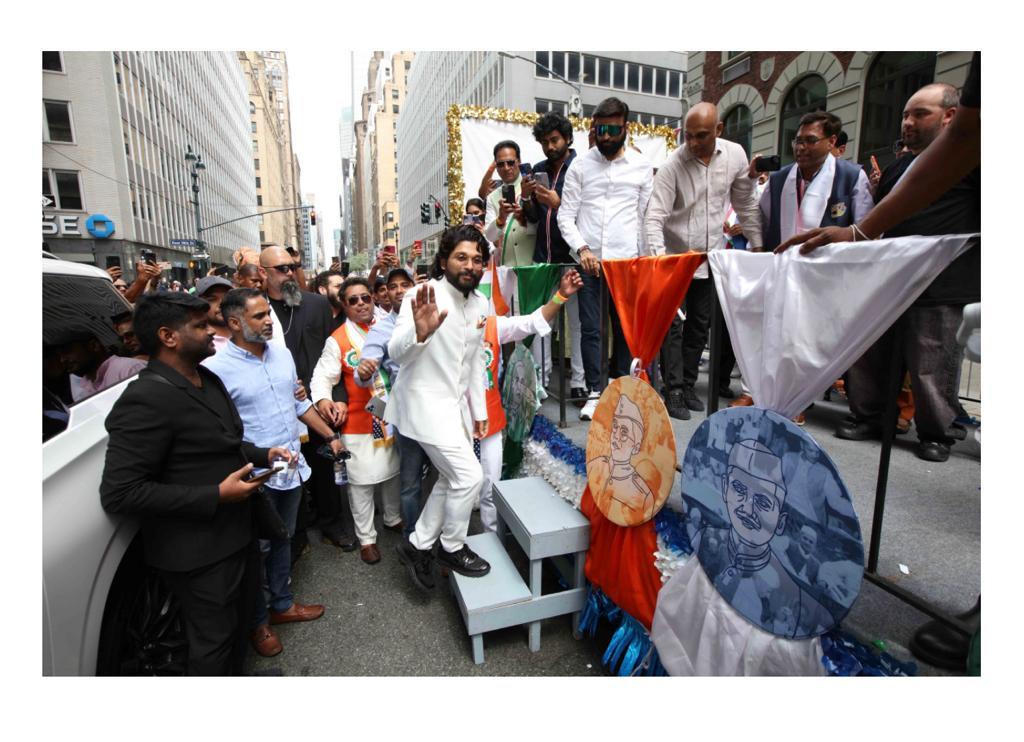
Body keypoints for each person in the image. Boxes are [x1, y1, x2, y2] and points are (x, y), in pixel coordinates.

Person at [100, 292, 294, 675]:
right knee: (212, 643)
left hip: (237, 533)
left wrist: (261, 454)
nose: (213, 330)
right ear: (168, 336)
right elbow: (121, 492)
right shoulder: (145, 398)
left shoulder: (204, 376)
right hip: (199, 554)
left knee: (237, 629)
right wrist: (216, 495)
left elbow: (219, 441)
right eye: (201, 325)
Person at [827, 83, 978, 463]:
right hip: (890, 279)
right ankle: (871, 416)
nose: (908, 122)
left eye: (920, 114)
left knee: (932, 360)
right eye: (906, 114)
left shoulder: (972, 159)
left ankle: (936, 432)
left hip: (943, 280)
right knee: (872, 350)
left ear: (950, 116)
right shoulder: (897, 168)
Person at [204, 288, 334, 657]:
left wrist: (329, 435)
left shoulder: (281, 354)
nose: (268, 321)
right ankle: (257, 622)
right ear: (234, 323)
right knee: (254, 551)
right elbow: (218, 432)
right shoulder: (214, 369)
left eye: (267, 314)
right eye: (260, 316)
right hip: (251, 478)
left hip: (290, 468)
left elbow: (299, 403)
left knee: (284, 538)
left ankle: (282, 604)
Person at [644, 102, 761, 420]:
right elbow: (654, 216)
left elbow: (745, 204)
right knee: (674, 328)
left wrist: (759, 247)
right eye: (689, 136)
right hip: (675, 261)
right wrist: (660, 261)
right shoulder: (673, 165)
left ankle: (690, 384)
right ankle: (674, 391)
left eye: (701, 136)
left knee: (699, 326)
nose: (693, 143)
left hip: (710, 259)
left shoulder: (735, 155)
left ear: (719, 130)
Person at [389, 225, 491, 591]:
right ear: (444, 260)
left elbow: (474, 360)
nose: (470, 265)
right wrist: (419, 332)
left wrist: (478, 411)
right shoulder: (422, 294)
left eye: (477, 259)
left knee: (452, 477)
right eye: (461, 257)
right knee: (469, 476)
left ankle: (417, 545)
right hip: (420, 404)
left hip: (452, 408)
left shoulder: (481, 302)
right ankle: (451, 545)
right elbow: (395, 352)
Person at [558, 97, 654, 420]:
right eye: (601, 129)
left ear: (626, 128)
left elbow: (643, 219)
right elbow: (565, 216)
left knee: (626, 330)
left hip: (627, 265)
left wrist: (644, 262)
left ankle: (623, 390)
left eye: (614, 129)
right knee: (591, 329)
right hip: (589, 264)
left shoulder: (641, 167)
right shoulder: (580, 166)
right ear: (593, 126)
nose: (607, 136)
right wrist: (582, 249)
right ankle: (596, 393)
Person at [477, 268, 585, 531]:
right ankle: (450, 546)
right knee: (456, 486)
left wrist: (560, 296)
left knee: (490, 484)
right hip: (455, 422)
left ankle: (490, 537)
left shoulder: (491, 325)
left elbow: (529, 322)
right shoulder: (443, 329)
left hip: (490, 421)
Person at [690, 439, 833, 638]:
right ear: (724, 489)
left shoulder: (787, 585)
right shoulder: (705, 541)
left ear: (781, 521)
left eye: (763, 502)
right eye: (739, 490)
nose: (747, 509)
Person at [258, 246, 348, 557]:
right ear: (262, 273)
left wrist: (335, 397)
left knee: (324, 464)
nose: (290, 273)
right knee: (285, 469)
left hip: (315, 403)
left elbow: (336, 353)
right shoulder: (257, 309)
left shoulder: (316, 304)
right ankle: (293, 534)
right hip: (278, 409)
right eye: (281, 268)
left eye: (293, 267)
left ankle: (332, 522)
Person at [311, 277, 402, 565]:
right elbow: (322, 378)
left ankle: (392, 517)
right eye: (354, 300)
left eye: (366, 297)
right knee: (361, 483)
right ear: (344, 305)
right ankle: (367, 538)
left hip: (395, 417)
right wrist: (324, 400)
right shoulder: (337, 339)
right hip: (359, 422)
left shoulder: (392, 326)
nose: (361, 303)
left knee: (393, 474)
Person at [353, 267, 428, 538]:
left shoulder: (434, 312)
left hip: (440, 411)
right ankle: (412, 538)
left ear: (414, 285)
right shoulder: (383, 329)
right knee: (410, 484)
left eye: (404, 283)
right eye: (392, 286)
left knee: (444, 480)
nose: (398, 290)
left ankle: (443, 539)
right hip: (407, 416)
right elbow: (365, 366)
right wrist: (363, 371)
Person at [525, 112, 587, 404]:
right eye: (544, 142)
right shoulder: (539, 169)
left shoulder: (582, 167)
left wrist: (558, 202)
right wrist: (528, 199)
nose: (549, 147)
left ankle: (579, 380)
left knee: (576, 323)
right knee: (542, 322)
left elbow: (586, 212)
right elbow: (534, 218)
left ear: (568, 139)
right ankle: (541, 379)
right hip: (543, 260)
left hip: (572, 258)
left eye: (554, 140)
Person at [588, 393, 657, 525]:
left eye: (624, 433)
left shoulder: (642, 494)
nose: (616, 436)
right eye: (615, 427)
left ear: (636, 447)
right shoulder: (596, 465)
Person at [484, 140, 536, 270]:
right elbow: (490, 236)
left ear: (519, 161)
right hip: (507, 267)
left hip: (535, 263)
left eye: (510, 162)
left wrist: (524, 218)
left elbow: (543, 225)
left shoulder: (533, 186)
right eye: (501, 164)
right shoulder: (492, 197)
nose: (506, 168)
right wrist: (501, 218)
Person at [58, 327, 146, 402]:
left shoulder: (129, 369)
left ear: (94, 346)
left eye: (67, 351)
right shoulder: (85, 388)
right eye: (59, 355)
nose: (62, 360)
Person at [196, 276, 234, 353]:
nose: (221, 303)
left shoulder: (247, 333)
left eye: (227, 297)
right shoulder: (197, 344)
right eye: (212, 299)